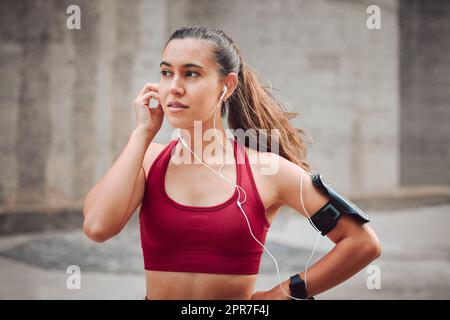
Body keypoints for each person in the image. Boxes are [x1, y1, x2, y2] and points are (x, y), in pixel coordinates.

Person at [82, 25, 381, 300]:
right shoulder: (149, 158)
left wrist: (285, 293)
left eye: (191, 74)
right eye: (165, 72)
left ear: (227, 85)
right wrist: (142, 133)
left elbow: (361, 244)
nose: (173, 87)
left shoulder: (268, 171)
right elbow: (98, 227)